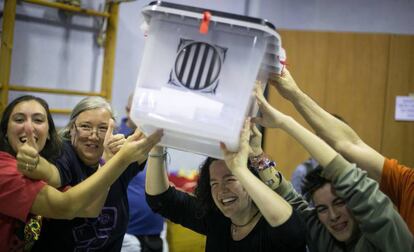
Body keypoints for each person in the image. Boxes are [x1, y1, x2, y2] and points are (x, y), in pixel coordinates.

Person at [254, 85, 413, 251]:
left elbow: (353, 182)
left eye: (339, 203)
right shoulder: (326, 238)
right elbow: (291, 201)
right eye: (322, 208)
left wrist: (284, 122)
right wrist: (258, 155)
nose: (334, 216)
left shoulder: (388, 236)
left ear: (355, 204)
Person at [0, 95, 162, 251]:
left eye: (103, 128)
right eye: (85, 126)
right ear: (71, 130)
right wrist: (33, 163)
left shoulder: (119, 154)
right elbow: (52, 175)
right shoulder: (63, 154)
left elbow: (146, 143)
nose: (93, 135)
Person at [145, 119, 307, 252]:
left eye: (230, 179)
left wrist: (254, 155)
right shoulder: (217, 220)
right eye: (213, 183)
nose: (221, 190)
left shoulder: (273, 227)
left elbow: (292, 227)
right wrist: (156, 147)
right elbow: (161, 199)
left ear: (250, 181)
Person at [120, 94, 167, 252]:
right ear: (128, 111)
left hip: (155, 231)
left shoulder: (156, 139)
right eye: (139, 111)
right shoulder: (115, 138)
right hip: (127, 234)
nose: (144, 116)